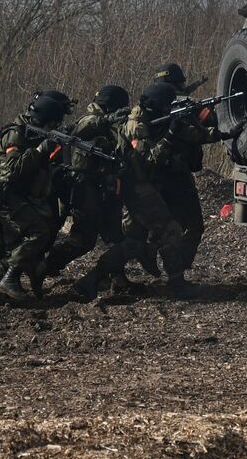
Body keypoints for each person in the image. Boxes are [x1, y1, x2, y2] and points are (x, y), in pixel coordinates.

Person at [73, 82, 194, 300]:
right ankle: (177, 283)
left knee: (134, 242)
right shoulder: (135, 124)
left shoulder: (139, 118)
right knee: (169, 229)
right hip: (136, 187)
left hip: (132, 184)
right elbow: (151, 158)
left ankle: (92, 277)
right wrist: (170, 134)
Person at [0, 91, 73, 305]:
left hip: (19, 196)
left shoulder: (33, 131)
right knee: (37, 234)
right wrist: (41, 150)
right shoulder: (16, 133)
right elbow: (12, 170)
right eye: (53, 122)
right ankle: (8, 280)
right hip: (5, 196)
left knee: (16, 241)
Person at [151, 64, 239, 277]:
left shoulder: (149, 105)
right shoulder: (177, 109)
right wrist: (224, 130)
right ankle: (176, 273)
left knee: (159, 228)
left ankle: (157, 266)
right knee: (190, 226)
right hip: (176, 176)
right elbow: (203, 130)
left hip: (152, 177)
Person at [41, 85, 130, 283]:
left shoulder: (111, 124)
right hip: (85, 189)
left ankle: (118, 278)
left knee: (116, 237)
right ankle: (45, 267)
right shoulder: (91, 120)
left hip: (106, 188)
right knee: (83, 240)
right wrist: (108, 120)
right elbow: (82, 128)